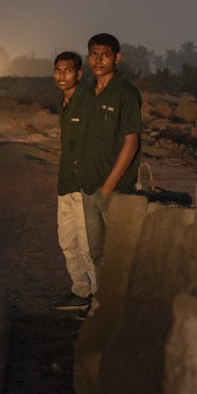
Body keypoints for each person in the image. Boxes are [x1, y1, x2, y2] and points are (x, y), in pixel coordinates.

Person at [80, 33, 142, 279]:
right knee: (97, 253)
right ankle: (103, 306)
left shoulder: (126, 93)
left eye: (104, 55)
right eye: (94, 55)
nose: (98, 61)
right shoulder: (86, 92)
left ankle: (121, 308)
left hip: (115, 189)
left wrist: (108, 187)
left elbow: (131, 142)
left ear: (117, 57)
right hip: (88, 186)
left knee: (119, 253)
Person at [51, 51, 95, 312]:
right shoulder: (63, 102)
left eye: (67, 71)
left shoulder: (87, 101)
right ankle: (80, 291)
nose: (61, 76)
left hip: (84, 184)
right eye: (58, 70)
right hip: (65, 183)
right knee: (67, 241)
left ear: (79, 74)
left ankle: (97, 297)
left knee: (87, 245)